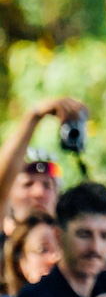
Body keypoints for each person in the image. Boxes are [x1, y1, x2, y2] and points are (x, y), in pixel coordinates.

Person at [0, 97, 87, 236]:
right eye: (27, 184)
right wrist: (33, 117)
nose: (39, 193)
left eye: (47, 185)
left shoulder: (67, 250)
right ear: (8, 195)